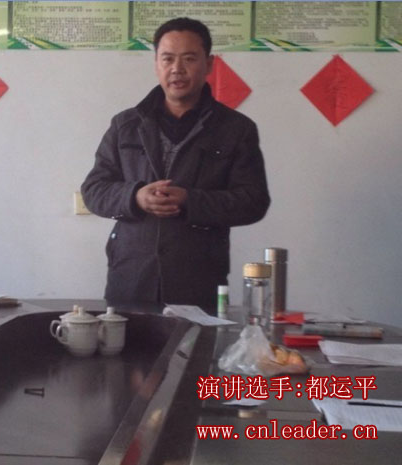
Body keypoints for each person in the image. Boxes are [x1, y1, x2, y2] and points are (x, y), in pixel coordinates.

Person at [81, 18, 270, 311]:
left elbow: (253, 201)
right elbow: (94, 191)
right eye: (167, 59)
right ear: (156, 64)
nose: (177, 69)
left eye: (189, 59)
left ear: (209, 64)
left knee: (195, 341)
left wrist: (190, 200)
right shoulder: (125, 125)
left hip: (197, 279)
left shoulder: (236, 129)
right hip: (130, 277)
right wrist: (135, 196)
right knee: (127, 342)